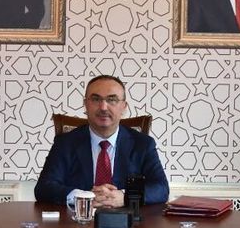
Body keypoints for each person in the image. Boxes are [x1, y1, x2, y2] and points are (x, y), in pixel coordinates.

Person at [34, 75, 169, 209]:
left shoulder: (142, 144)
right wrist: (84, 197)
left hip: (126, 220)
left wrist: (125, 196)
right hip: (78, 220)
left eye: (112, 100)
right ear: (85, 104)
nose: (103, 107)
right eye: (96, 99)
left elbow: (161, 188)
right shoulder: (65, 143)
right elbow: (44, 188)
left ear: (124, 107)